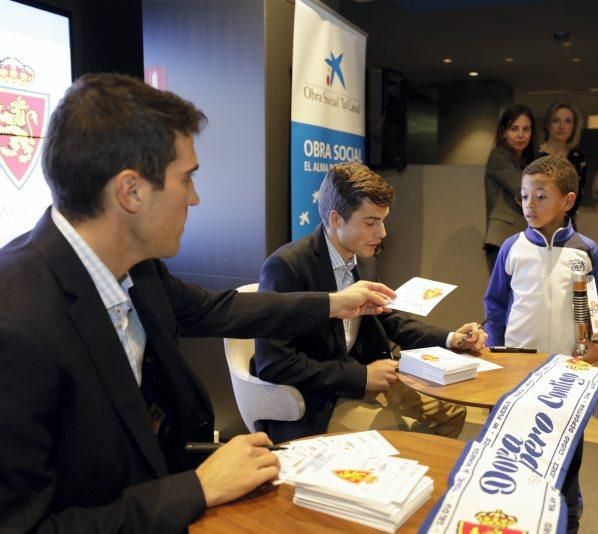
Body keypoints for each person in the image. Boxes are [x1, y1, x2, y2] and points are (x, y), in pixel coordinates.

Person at [0, 73, 395, 533]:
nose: (195, 197)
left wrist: (332, 303)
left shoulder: (139, 271)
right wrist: (198, 488)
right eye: (186, 180)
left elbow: (217, 309)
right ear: (131, 191)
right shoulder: (17, 323)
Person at [254, 162, 487, 443]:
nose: (383, 233)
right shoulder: (287, 267)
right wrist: (361, 376)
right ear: (336, 219)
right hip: (316, 400)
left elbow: (387, 318)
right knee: (403, 439)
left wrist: (451, 339)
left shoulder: (364, 259)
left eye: (383, 220)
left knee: (452, 411)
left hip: (365, 376)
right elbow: (275, 364)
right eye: (371, 222)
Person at [484, 155, 598, 534]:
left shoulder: (587, 251)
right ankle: (514, 517)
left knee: (566, 454)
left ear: (567, 201)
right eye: (525, 196)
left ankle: (568, 520)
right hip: (516, 371)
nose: (529, 205)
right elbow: (494, 303)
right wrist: (496, 350)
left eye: (541, 196)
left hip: (567, 374)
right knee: (512, 451)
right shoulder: (511, 248)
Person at [484, 104, 537, 269]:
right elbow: (525, 189)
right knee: (507, 295)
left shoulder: (529, 160)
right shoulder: (499, 156)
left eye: (526, 129)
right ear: (504, 132)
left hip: (525, 239)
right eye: (514, 129)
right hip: (503, 241)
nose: (521, 135)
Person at [539, 102, 588, 220]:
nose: (562, 126)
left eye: (568, 121)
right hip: (536, 225)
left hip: (566, 226)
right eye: (556, 120)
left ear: (574, 126)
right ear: (547, 124)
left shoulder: (578, 160)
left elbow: (577, 198)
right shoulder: (534, 155)